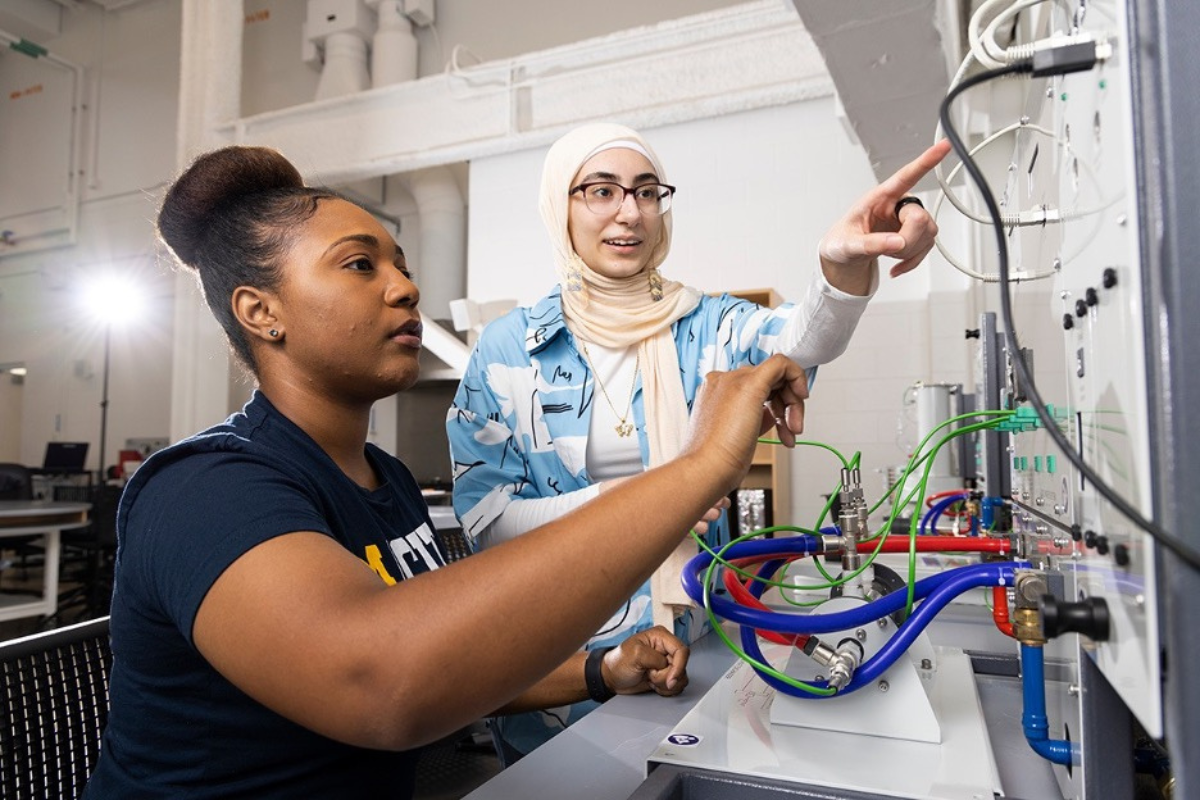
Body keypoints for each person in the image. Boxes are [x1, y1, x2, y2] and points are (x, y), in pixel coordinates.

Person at [82, 145, 809, 799]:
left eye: (401, 264)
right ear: (260, 310)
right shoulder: (207, 489)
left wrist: (599, 670)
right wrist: (701, 464)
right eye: (361, 264)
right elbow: (384, 684)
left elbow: (447, 660)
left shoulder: (385, 482)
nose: (404, 288)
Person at [446, 122, 950, 757]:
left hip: (702, 658)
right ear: (559, 207)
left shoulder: (706, 323)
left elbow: (801, 342)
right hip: (557, 682)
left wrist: (839, 268)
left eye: (647, 191)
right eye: (600, 191)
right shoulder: (505, 351)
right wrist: (653, 494)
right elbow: (490, 527)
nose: (629, 212)